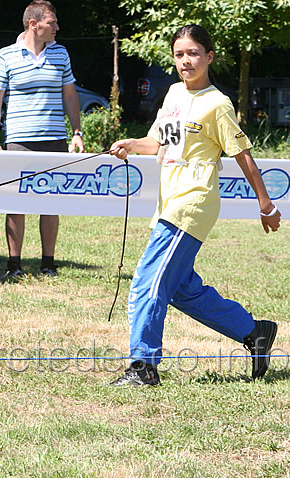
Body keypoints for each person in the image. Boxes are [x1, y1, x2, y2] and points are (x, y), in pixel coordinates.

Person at [109, 24, 282, 387]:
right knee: (181, 287)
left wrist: (266, 205)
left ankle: (143, 367)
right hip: (169, 200)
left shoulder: (217, 104)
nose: (185, 61)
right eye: (179, 54)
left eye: (193, 53)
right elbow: (158, 142)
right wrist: (131, 144)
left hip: (193, 202)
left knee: (148, 282)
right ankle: (254, 332)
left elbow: (243, 155)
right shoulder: (172, 93)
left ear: (209, 57)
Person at [0, 0, 84, 279]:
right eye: (51, 22)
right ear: (34, 24)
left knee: (51, 201)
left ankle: (48, 263)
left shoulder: (61, 53)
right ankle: (14, 265)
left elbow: (69, 94)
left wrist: (76, 132)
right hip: (19, 139)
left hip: (55, 138)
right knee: (16, 203)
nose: (57, 27)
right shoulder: (6, 55)